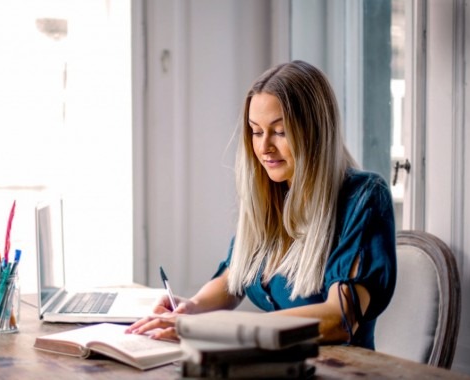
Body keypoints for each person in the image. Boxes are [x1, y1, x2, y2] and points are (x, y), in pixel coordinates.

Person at [126, 60, 396, 349]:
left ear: (316, 133)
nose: (264, 147)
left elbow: (338, 319)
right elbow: (234, 278)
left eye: (280, 132)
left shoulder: (364, 198)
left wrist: (215, 328)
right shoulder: (271, 194)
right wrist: (192, 308)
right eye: (256, 131)